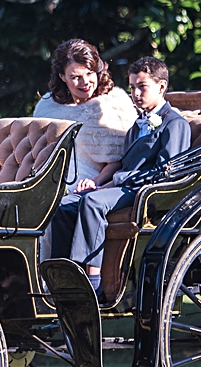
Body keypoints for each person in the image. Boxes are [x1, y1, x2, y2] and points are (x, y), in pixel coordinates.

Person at [45, 54, 191, 302]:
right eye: (132, 87)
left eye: (142, 87)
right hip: (124, 188)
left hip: (148, 193)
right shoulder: (137, 125)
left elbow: (167, 173)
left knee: (94, 203)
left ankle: (92, 282)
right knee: (65, 205)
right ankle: (62, 277)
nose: (135, 93)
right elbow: (124, 163)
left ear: (162, 87)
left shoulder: (174, 124)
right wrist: (97, 183)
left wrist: (114, 185)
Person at [31, 38, 136, 189]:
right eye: (76, 77)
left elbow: (119, 160)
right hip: (51, 182)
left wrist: (95, 182)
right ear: (62, 77)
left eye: (89, 73)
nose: (85, 82)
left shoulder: (113, 103)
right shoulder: (48, 107)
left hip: (94, 184)